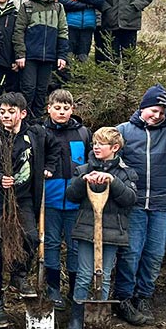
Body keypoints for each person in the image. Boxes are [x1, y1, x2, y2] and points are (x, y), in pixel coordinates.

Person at [113, 84, 166, 326]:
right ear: (141, 108)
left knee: (154, 255)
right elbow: (106, 158)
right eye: (153, 110)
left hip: (162, 204)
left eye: (161, 112)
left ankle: (143, 297)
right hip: (134, 203)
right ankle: (124, 299)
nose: (157, 116)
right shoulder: (124, 131)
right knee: (131, 253)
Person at [0, 93, 60, 324]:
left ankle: (19, 273)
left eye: (11, 112)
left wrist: (49, 167)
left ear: (22, 113)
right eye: (2, 112)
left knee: (31, 238)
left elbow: (54, 148)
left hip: (24, 199)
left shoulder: (36, 134)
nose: (6, 116)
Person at [65, 127, 138, 329]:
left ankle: (98, 319)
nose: (96, 147)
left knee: (103, 276)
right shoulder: (83, 169)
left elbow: (130, 200)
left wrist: (112, 182)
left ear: (114, 148)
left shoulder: (126, 173)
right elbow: (72, 195)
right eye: (94, 143)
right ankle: (77, 317)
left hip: (113, 231)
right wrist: (83, 180)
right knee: (84, 275)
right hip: (87, 230)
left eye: (101, 144)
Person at [42, 89, 92, 309]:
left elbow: (91, 162)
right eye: (57, 107)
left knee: (74, 247)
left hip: (76, 201)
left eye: (66, 108)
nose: (61, 112)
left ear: (72, 109)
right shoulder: (41, 133)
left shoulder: (82, 133)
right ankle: (53, 289)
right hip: (50, 200)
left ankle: (74, 290)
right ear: (49, 109)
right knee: (51, 244)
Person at [12, 0, 69, 119]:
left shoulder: (58, 8)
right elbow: (18, 31)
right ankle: (23, 120)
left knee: (42, 91)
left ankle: (37, 122)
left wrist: (62, 55)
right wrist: (20, 54)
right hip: (29, 57)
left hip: (49, 57)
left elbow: (63, 32)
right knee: (28, 89)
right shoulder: (27, 6)